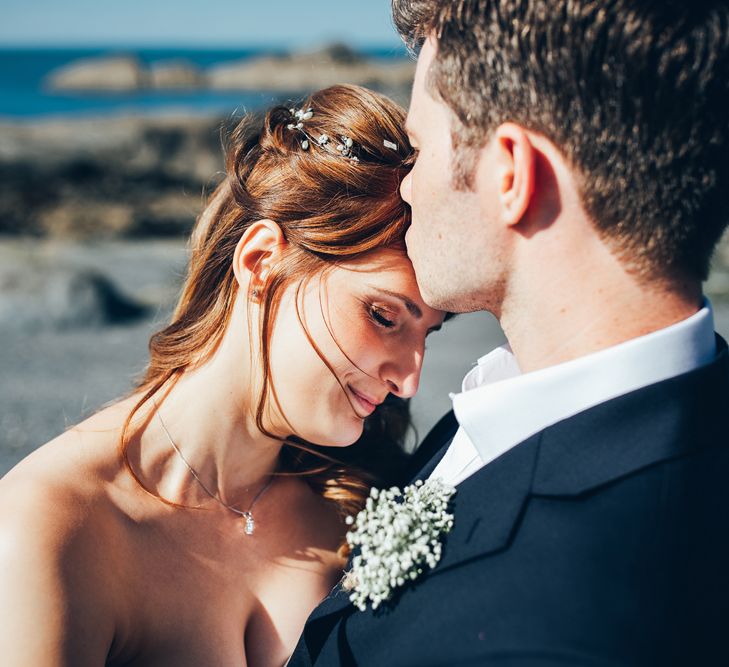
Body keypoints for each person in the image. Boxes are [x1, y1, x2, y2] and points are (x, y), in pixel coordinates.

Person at [290, 1, 729, 665]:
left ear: (511, 175)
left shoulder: (556, 634)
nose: (403, 188)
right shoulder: (521, 398)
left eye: (415, 150)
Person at [0, 84, 444, 666]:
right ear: (261, 261)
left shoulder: (357, 496)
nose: (410, 381)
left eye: (428, 334)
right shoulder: (51, 528)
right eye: (384, 316)